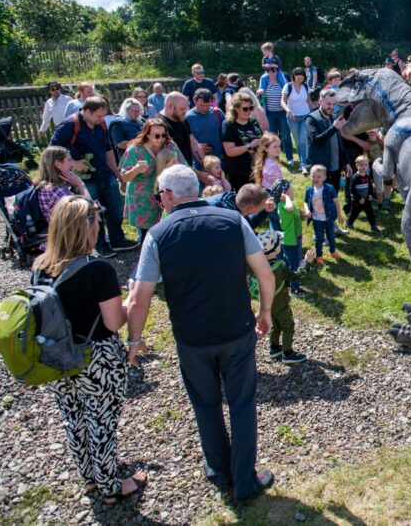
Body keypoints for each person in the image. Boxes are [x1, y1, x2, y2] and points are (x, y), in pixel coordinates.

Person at [125, 165, 275, 502]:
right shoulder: (233, 221)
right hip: (235, 329)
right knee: (242, 403)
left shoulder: (158, 234)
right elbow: (265, 273)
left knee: (205, 405)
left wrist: (134, 341)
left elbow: (139, 298)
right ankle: (245, 481)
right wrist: (264, 312)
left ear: (167, 195)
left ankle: (220, 471)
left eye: (158, 195)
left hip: (192, 338)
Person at [32, 196, 147, 505]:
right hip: (97, 358)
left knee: (74, 416)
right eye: (96, 221)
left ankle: (90, 478)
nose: (100, 227)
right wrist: (131, 299)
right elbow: (113, 323)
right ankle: (111, 486)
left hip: (57, 356)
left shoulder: (40, 268)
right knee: (102, 422)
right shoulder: (97, 269)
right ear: (87, 227)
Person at [49, 97, 138, 257]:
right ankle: (100, 245)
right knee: (93, 211)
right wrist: (74, 162)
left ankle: (117, 239)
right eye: (99, 115)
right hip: (86, 179)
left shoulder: (101, 125)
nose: (102, 119)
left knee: (116, 207)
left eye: (103, 116)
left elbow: (108, 149)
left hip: (105, 173)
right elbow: (53, 148)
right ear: (87, 111)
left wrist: (117, 174)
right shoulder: (70, 125)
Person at [252, 230, 314, 363]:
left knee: (275, 324)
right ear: (275, 250)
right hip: (280, 303)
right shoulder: (280, 266)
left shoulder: (256, 265)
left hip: (266, 304)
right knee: (288, 325)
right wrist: (307, 262)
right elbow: (296, 276)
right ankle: (288, 353)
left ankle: (274, 348)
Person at [120, 119, 186, 242]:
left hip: (166, 195)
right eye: (156, 136)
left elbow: (184, 166)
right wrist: (135, 170)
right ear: (147, 134)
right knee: (147, 235)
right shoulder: (135, 150)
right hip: (142, 199)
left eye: (163, 135)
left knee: (168, 229)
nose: (160, 139)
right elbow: (124, 177)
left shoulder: (170, 146)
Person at [34, 146, 91, 249]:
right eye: (69, 160)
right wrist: (80, 184)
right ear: (57, 164)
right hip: (69, 245)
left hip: (53, 242)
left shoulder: (41, 187)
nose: (72, 164)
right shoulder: (61, 193)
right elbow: (91, 211)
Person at [159, 92, 209, 184]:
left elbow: (193, 143)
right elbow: (171, 160)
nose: (186, 111)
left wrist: (207, 166)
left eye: (186, 108)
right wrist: (198, 174)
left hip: (187, 174)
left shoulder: (181, 118)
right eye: (182, 109)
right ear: (170, 106)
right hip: (172, 180)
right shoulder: (160, 126)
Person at [306, 89, 350, 193]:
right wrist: (334, 128)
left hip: (336, 167)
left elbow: (340, 143)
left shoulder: (334, 117)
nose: (331, 107)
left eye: (333, 104)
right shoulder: (311, 119)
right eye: (328, 103)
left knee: (334, 196)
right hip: (321, 170)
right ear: (320, 101)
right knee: (320, 197)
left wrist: (346, 162)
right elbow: (316, 141)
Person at [271, 180, 308, 297]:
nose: (293, 192)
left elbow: (293, 216)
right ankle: (295, 289)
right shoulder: (284, 205)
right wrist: (286, 197)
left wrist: (302, 215)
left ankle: (288, 280)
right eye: (291, 191)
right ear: (285, 193)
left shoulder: (287, 205)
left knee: (289, 260)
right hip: (291, 241)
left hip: (294, 239)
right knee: (294, 264)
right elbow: (290, 208)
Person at [303, 164, 345, 264]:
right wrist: (307, 209)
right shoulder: (309, 190)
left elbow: (336, 202)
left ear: (324, 177)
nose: (315, 178)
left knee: (331, 236)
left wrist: (339, 215)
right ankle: (319, 256)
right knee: (319, 239)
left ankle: (333, 251)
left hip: (329, 219)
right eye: (313, 176)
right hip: (317, 220)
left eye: (318, 176)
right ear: (310, 176)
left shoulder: (330, 188)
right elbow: (305, 202)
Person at [222, 93, 264, 191]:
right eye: (245, 109)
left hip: (257, 169)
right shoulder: (229, 125)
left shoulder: (253, 122)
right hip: (238, 172)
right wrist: (250, 145)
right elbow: (230, 151)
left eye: (251, 108)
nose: (249, 111)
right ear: (236, 108)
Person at [258, 62, 293, 164]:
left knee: (286, 135)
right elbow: (261, 99)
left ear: (278, 72)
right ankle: (273, 157)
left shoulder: (282, 84)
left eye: (274, 71)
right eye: (270, 71)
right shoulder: (265, 84)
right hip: (270, 114)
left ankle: (289, 157)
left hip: (282, 113)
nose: (272, 73)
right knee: (272, 137)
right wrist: (260, 93)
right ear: (267, 72)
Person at [282, 68, 315, 173]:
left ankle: (303, 164)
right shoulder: (288, 86)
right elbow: (282, 101)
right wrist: (288, 111)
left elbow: (309, 101)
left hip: (305, 115)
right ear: (293, 75)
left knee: (302, 140)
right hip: (292, 117)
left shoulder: (305, 86)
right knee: (297, 141)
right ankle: (302, 161)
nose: (300, 76)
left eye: (302, 74)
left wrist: (315, 112)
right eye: (297, 74)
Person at [206, 183, 274, 231]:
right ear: (251, 209)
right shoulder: (230, 222)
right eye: (263, 206)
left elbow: (248, 223)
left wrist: (265, 211)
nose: (264, 207)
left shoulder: (232, 199)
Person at [252, 133, 284, 231]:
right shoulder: (271, 165)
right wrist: (284, 191)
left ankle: (275, 239)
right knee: (279, 219)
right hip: (274, 195)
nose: (278, 149)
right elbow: (277, 183)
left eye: (279, 146)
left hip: (268, 194)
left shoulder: (267, 160)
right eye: (275, 146)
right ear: (265, 148)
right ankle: (280, 241)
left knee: (273, 219)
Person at [186, 88, 225, 159]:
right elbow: (183, 141)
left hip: (220, 160)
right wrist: (196, 147)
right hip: (199, 161)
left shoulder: (217, 113)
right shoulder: (187, 117)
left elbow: (227, 134)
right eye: (202, 105)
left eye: (208, 105)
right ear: (194, 100)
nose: (205, 108)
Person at [346, 155, 380, 234]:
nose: (363, 167)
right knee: (354, 213)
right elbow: (352, 189)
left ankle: (373, 225)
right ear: (356, 166)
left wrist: (370, 195)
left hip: (366, 199)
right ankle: (349, 223)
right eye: (361, 165)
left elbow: (370, 187)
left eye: (365, 165)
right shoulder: (355, 177)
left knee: (370, 213)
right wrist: (359, 198)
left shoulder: (367, 177)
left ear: (368, 166)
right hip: (357, 201)